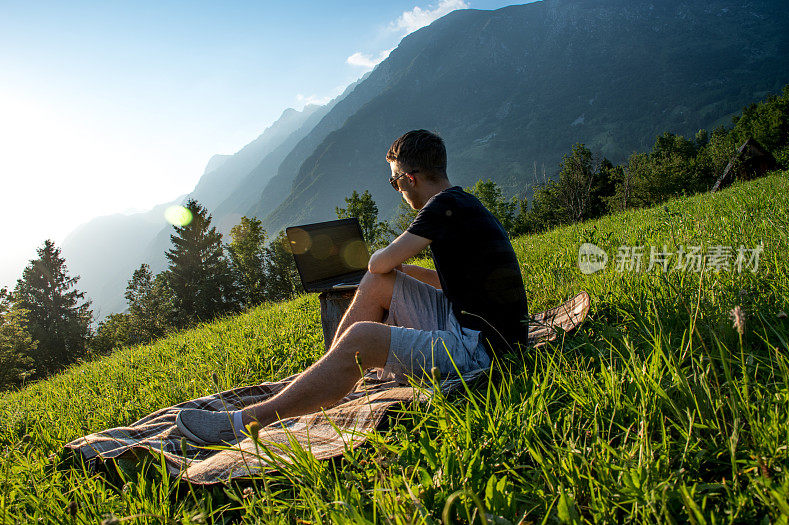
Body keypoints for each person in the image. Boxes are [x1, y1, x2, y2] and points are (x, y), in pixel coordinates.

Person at [176, 129, 528, 445]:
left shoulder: (440, 208)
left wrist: (388, 260)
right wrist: (402, 268)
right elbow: (441, 282)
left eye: (395, 183)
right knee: (378, 282)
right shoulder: (462, 203)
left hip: (482, 349)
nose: (398, 191)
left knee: (362, 334)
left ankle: (244, 424)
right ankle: (330, 373)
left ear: (410, 179)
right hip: (481, 327)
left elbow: (376, 261)